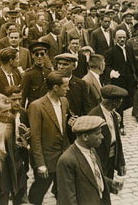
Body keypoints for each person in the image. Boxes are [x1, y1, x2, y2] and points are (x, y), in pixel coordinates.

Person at [27, 71, 70, 205]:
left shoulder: (64, 101)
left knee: (63, 191)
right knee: (38, 192)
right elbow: (35, 138)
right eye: (65, 86)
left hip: (63, 156)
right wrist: (40, 164)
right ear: (55, 88)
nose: (68, 89)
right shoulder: (37, 106)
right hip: (47, 159)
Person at [57, 116, 119, 205]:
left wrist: (110, 183)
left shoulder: (92, 150)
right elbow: (67, 199)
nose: (102, 137)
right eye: (98, 134)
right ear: (85, 137)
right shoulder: (66, 161)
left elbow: (91, 175)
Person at [105, 29, 138, 125]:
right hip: (118, 81)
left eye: (124, 37)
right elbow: (106, 66)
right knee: (120, 103)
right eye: (119, 37)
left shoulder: (129, 49)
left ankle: (115, 113)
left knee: (130, 101)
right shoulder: (111, 51)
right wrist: (112, 72)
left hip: (130, 80)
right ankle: (120, 124)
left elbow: (135, 64)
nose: (122, 39)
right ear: (115, 38)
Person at [88, 85, 127, 180]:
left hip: (111, 159)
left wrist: (121, 162)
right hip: (99, 160)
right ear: (113, 102)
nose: (122, 102)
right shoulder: (94, 116)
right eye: (120, 100)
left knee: (108, 187)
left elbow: (117, 140)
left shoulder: (113, 114)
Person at [21, 41, 52, 107]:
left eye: (42, 54)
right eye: (36, 54)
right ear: (32, 55)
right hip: (34, 108)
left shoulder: (49, 72)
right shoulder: (28, 74)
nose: (39, 57)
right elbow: (23, 96)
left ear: (46, 55)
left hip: (47, 107)